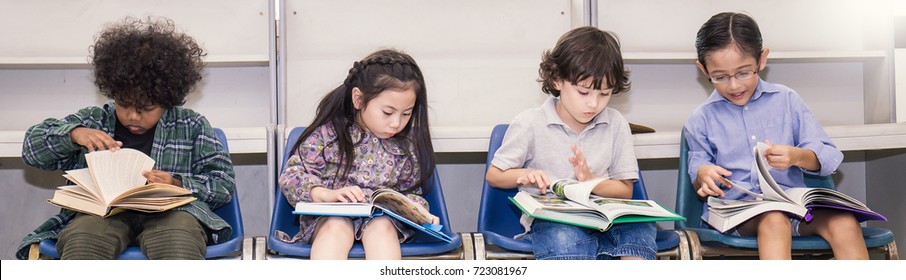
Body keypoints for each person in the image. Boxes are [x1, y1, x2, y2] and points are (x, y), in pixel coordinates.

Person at [15, 17, 236, 260]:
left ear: (167, 99)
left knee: (177, 237)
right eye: (124, 104)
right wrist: (73, 134)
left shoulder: (192, 126)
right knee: (84, 239)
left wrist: (177, 184)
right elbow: (31, 150)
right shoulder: (94, 121)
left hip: (172, 213)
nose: (133, 116)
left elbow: (223, 184)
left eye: (146, 108)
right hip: (101, 214)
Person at [684, 12, 868, 260]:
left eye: (743, 72)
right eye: (719, 77)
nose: (734, 86)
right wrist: (704, 175)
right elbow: (698, 168)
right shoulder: (702, 118)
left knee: (845, 222)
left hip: (796, 207)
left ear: (762, 59)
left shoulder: (787, 100)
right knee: (774, 219)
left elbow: (827, 156)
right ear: (703, 69)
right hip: (740, 216)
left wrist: (797, 156)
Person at [485, 26, 657, 260]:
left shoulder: (616, 124)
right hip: (554, 221)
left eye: (604, 94)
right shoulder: (529, 123)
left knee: (641, 227)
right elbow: (494, 175)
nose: (594, 104)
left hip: (604, 219)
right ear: (557, 80)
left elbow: (625, 190)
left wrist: (591, 181)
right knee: (564, 235)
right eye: (583, 93)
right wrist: (524, 174)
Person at [277, 49, 439, 260]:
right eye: (387, 112)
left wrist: (416, 209)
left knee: (381, 228)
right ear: (358, 99)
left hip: (382, 222)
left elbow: (412, 192)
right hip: (329, 219)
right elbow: (291, 177)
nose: (396, 123)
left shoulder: (405, 147)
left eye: (406, 114)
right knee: (336, 226)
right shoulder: (328, 136)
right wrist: (326, 195)